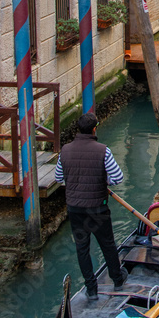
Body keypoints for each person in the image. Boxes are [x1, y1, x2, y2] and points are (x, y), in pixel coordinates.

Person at [54, 112, 128, 302]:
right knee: (108, 244)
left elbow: (59, 178)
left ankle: (91, 289)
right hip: (97, 208)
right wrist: (104, 181)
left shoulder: (65, 151)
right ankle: (117, 280)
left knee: (82, 248)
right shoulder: (103, 150)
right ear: (95, 128)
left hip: (75, 208)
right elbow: (117, 177)